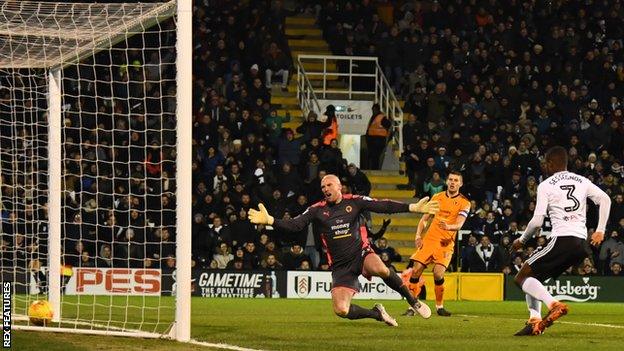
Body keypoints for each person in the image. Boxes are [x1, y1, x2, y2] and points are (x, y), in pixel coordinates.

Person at [249, 174, 440, 326]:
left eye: (329, 185)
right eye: (323, 187)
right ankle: (377, 314)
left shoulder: (354, 202)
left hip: (361, 253)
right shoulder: (316, 210)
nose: (325, 189)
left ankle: (412, 300)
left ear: (339, 187)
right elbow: (295, 225)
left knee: (381, 269)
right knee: (341, 310)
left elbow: (382, 205)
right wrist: (270, 221)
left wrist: (412, 207)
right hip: (340, 266)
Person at [510, 146, 611, 336]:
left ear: (550, 163)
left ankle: (554, 305)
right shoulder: (582, 180)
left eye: (545, 164)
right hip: (581, 244)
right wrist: (600, 230)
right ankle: (534, 322)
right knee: (534, 277)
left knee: (521, 277)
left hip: (562, 239)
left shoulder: (546, 185)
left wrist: (522, 240)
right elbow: (605, 199)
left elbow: (537, 221)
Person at [402, 171, 470, 317]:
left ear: (460, 184)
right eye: (450, 179)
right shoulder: (437, 197)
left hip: (445, 243)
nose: (452, 182)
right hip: (429, 240)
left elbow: (459, 224)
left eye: (456, 180)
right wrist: (418, 235)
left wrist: (449, 227)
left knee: (438, 273)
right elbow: (425, 219)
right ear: (447, 181)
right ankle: (412, 306)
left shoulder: (465, 202)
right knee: (415, 270)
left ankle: (439, 306)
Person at [365, 104, 391, 170]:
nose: (373, 111)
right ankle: (374, 169)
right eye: (372, 109)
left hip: (378, 140)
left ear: (377, 109)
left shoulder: (380, 117)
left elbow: (388, 124)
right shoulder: (375, 116)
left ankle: (375, 169)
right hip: (374, 140)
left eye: (374, 109)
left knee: (375, 156)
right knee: (374, 156)